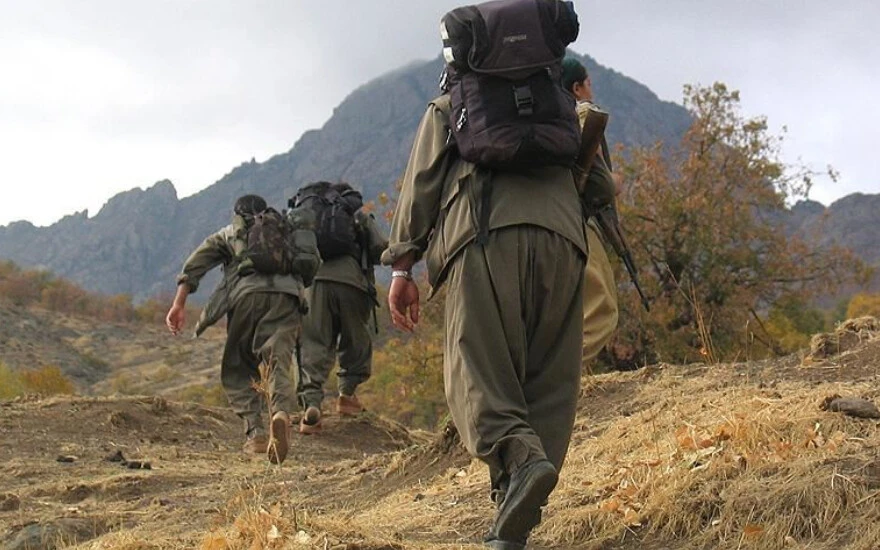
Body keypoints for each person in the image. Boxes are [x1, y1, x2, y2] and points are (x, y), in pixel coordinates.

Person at [382, 89, 589, 549]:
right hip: (565, 242)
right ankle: (510, 526)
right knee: (549, 380)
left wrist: (402, 265)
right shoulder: (561, 102)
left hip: (483, 232)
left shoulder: (452, 104)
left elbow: (422, 185)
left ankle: (520, 461)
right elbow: (598, 187)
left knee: (474, 367)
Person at [165, 194, 304, 465]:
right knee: (278, 359)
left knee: (239, 365)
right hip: (287, 297)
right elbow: (311, 262)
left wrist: (178, 304)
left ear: (237, 214)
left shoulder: (230, 233)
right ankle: (281, 413)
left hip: (246, 297)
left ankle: (256, 432)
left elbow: (194, 265)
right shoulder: (286, 231)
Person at [296, 183, 388, 434]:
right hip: (351, 282)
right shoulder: (353, 210)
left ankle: (311, 406)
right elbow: (379, 247)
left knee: (314, 342)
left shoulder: (310, 214)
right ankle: (347, 395)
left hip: (314, 284)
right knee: (355, 338)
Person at [560, 57, 620, 367]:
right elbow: (598, 186)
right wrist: (614, 182)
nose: (591, 90)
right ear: (576, 88)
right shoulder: (582, 116)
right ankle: (558, 382)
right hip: (572, 221)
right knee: (602, 312)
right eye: (588, 84)